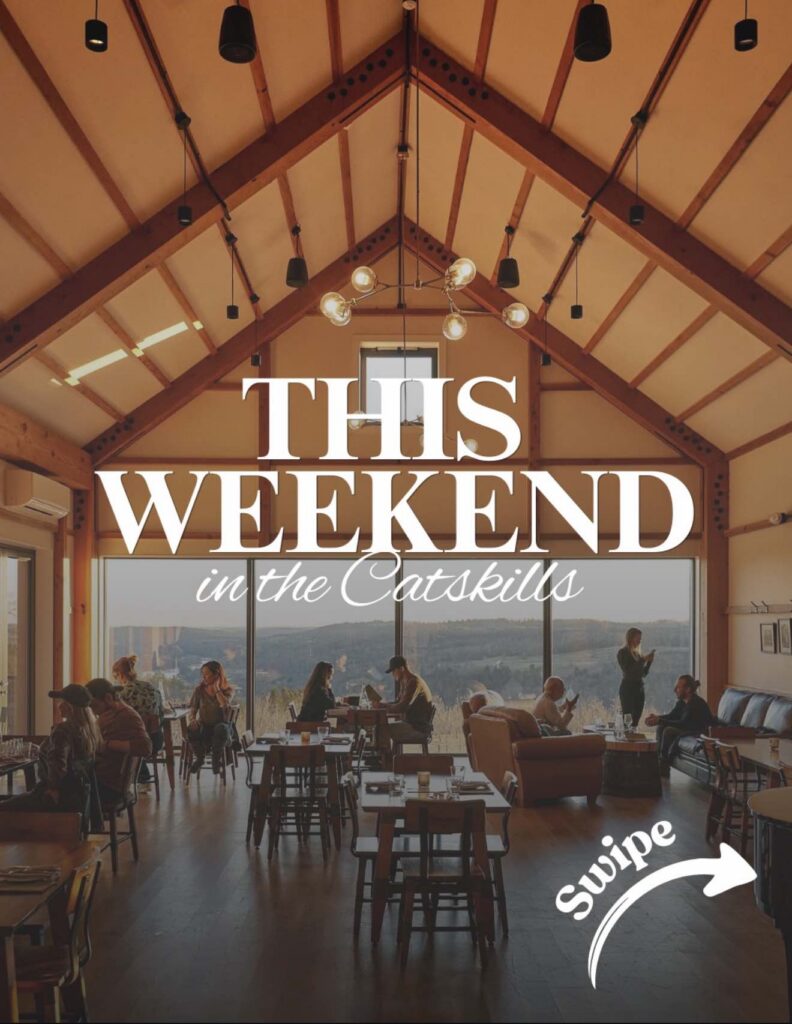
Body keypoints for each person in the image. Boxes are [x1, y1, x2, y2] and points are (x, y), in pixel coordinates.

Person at [0, 684, 101, 819]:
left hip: (55, 797)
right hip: (77, 796)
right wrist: (43, 749)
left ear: (70, 707)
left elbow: (58, 764)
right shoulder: (89, 730)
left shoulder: (63, 730)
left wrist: (53, 788)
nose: (58, 706)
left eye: (62, 702)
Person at [86, 678, 152, 804]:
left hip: (108, 785)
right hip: (107, 781)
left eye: (94, 706)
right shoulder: (113, 714)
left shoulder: (125, 715)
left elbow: (146, 747)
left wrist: (108, 744)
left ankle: (88, 822)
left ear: (108, 698)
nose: (93, 711)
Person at [645, 675, 718, 776]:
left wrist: (660, 720)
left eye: (678, 687)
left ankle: (664, 764)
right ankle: (658, 761)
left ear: (688, 689)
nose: (675, 690)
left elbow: (683, 724)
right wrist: (657, 718)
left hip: (698, 731)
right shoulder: (682, 702)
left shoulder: (695, 703)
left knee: (668, 730)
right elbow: (672, 716)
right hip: (687, 727)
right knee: (661, 727)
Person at [113, 654, 165, 783]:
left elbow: (118, 719)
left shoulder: (122, 694)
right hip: (157, 740)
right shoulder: (151, 688)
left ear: (120, 674)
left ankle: (135, 777)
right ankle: (140, 775)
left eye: (115, 677)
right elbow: (161, 714)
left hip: (138, 743)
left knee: (114, 742)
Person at [186, 660, 235, 774]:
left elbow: (224, 704)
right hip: (205, 726)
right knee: (191, 728)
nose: (204, 677)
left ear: (217, 675)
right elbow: (193, 709)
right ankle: (200, 758)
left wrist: (217, 689)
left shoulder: (228, 690)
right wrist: (193, 720)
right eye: (202, 674)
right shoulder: (199, 690)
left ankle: (215, 760)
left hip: (223, 728)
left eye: (207, 674)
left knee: (220, 728)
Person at [380, 656, 434, 752]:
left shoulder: (414, 682)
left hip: (417, 727)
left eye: (394, 671)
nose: (393, 674)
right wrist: (382, 705)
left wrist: (383, 707)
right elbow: (397, 703)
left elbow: (402, 707)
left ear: (401, 668)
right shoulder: (406, 681)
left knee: (381, 729)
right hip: (412, 723)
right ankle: (386, 759)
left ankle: (386, 760)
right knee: (380, 728)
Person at [617, 627, 655, 727]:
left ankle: (632, 740)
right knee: (627, 718)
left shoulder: (637, 654)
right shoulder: (622, 653)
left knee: (636, 718)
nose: (639, 641)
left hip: (639, 688)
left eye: (640, 639)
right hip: (628, 689)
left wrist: (649, 662)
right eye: (637, 638)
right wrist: (644, 660)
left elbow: (643, 674)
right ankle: (626, 740)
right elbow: (628, 670)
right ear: (630, 638)